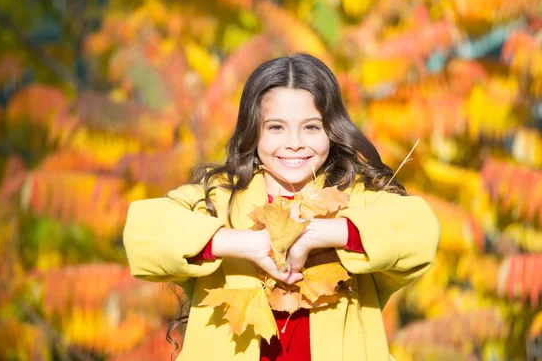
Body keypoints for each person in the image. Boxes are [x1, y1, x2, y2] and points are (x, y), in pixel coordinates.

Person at [123, 53, 440, 360]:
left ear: (332, 130)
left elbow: (420, 231)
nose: (294, 143)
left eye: (311, 127)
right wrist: (247, 244)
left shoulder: (351, 198)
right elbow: (143, 233)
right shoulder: (219, 198)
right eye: (275, 127)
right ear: (253, 130)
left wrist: (319, 233)